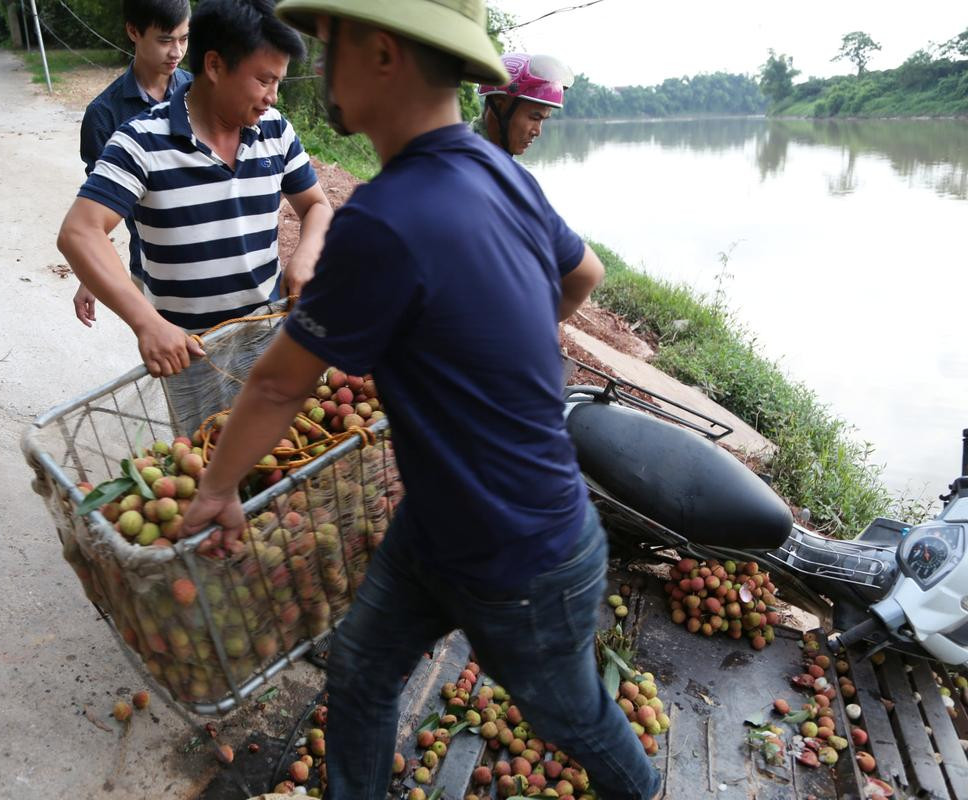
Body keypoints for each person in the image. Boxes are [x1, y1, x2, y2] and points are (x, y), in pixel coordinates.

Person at [179, 1, 661, 798]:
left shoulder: (382, 218)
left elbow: (275, 382)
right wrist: (490, 344)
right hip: (438, 530)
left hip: (521, 557)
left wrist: (219, 487)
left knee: (573, 720)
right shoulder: (497, 168)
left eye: (330, 44)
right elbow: (583, 277)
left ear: (380, 53)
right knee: (363, 673)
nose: (317, 64)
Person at [57, 0, 333, 384]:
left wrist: (305, 256)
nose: (273, 97)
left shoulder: (275, 130)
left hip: (272, 329)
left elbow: (317, 205)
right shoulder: (140, 142)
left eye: (278, 82)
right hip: (190, 352)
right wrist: (147, 323)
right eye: (264, 80)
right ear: (215, 65)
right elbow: (79, 232)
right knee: (209, 443)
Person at [72, 0, 193, 327]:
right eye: (166, 40)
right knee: (177, 369)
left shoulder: (202, 93)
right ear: (133, 32)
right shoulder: (104, 114)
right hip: (155, 273)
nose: (177, 52)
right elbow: (100, 206)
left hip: (221, 265)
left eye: (184, 39)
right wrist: (91, 274)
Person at [475, 52, 574, 156]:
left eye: (542, 120)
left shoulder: (495, 160)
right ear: (500, 105)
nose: (537, 132)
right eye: (534, 118)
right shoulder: (470, 161)